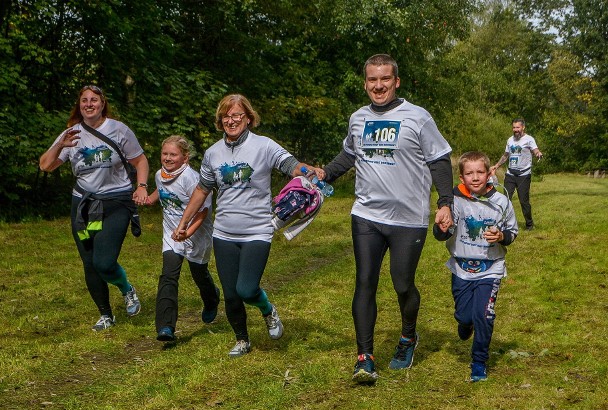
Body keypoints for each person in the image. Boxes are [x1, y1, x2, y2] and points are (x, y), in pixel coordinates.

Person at [312, 54, 454, 384]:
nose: (379, 86)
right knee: (365, 281)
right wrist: (326, 174)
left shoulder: (418, 118)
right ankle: (365, 357)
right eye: (373, 80)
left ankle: (407, 337)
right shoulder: (358, 118)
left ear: (396, 81)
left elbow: (440, 161)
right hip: (366, 215)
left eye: (385, 79)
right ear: (365, 83)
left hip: (408, 218)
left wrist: (445, 202)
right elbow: (350, 153)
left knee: (402, 283)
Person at [172, 94, 314, 358]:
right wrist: (183, 223)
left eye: (237, 115)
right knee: (231, 294)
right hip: (224, 233)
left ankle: (267, 310)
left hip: (257, 230)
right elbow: (203, 190)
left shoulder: (264, 146)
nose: (231, 120)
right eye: (226, 116)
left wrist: (309, 171)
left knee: (246, 289)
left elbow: (291, 165)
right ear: (220, 120)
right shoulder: (213, 153)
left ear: (248, 118)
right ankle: (242, 339)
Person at [39, 85, 149, 331]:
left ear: (102, 104)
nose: (89, 104)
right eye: (84, 100)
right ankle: (105, 315)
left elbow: (140, 160)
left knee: (104, 262)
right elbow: (45, 165)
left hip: (115, 203)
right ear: (79, 105)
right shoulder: (71, 134)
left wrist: (141, 186)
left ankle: (126, 288)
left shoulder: (119, 130)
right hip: (84, 206)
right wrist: (60, 146)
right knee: (89, 262)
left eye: (94, 100)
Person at [433, 151, 518, 382]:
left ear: (489, 172)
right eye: (469, 173)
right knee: (464, 316)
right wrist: (441, 228)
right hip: (461, 268)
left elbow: (513, 232)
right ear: (461, 177)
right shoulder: (453, 199)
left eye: (480, 172)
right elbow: (442, 233)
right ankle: (464, 322)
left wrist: (501, 235)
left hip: (491, 268)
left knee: (484, 315)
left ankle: (479, 362)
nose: (476, 177)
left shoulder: (501, 201)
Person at [146, 135, 220, 342]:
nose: (167, 158)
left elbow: (203, 212)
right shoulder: (159, 175)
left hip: (196, 234)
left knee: (199, 273)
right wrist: (149, 198)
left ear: (185, 158)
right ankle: (166, 327)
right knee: (168, 276)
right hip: (171, 234)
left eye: (173, 154)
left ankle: (212, 298)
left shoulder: (192, 179)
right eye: (164, 154)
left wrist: (187, 232)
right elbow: (162, 190)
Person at [490, 119, 542, 230]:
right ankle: (504, 223)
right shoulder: (510, 140)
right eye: (514, 128)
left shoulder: (529, 139)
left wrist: (538, 154)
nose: (515, 130)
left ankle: (529, 224)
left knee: (523, 201)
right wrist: (496, 165)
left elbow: (535, 150)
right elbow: (505, 155)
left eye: (517, 127)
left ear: (523, 127)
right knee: (505, 199)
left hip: (524, 174)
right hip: (510, 174)